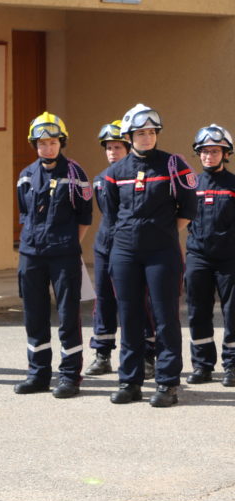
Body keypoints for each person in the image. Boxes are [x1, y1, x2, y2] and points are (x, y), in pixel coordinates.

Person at [103, 104, 196, 407]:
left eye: (151, 132)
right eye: (140, 133)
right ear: (129, 136)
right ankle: (129, 382)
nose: (146, 137)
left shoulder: (174, 165)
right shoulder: (115, 172)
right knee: (129, 316)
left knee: (165, 316)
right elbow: (112, 212)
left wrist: (164, 233)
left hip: (161, 252)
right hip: (126, 251)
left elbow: (189, 209)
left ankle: (167, 383)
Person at [12, 113, 92, 399]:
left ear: (62, 142)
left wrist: (67, 242)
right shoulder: (25, 175)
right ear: (35, 144)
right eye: (42, 142)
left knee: (68, 314)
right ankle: (38, 374)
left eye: (53, 142)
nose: (48, 148)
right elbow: (25, 213)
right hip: (31, 253)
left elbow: (85, 217)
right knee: (34, 314)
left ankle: (70, 376)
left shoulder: (75, 174)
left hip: (63, 254)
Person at [87, 121, 157, 378]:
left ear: (128, 147)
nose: (112, 152)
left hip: (132, 248)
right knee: (104, 300)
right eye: (108, 147)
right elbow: (107, 214)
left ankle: (148, 355)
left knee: (139, 302)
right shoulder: (100, 180)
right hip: (106, 245)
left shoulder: (141, 176)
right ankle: (102, 353)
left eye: (118, 146)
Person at [185, 124, 235, 387]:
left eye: (215, 151)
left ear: (225, 153)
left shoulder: (233, 184)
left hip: (230, 259)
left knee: (233, 312)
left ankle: (232, 365)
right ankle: (202, 365)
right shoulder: (191, 184)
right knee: (197, 310)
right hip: (198, 257)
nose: (208, 156)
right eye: (204, 151)